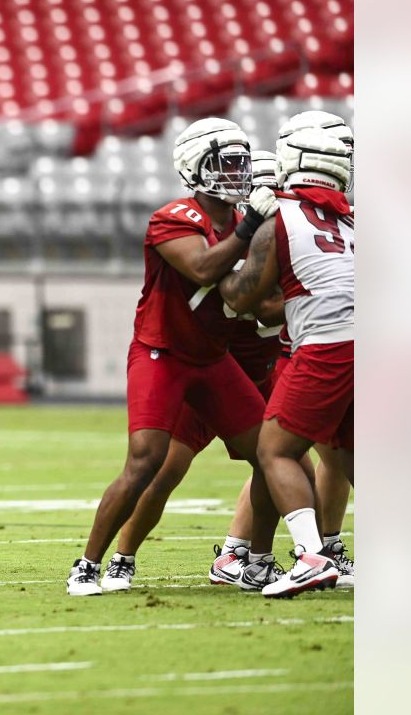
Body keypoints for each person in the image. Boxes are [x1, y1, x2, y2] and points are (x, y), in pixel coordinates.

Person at [66, 118, 278, 596]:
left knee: (272, 455)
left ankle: (258, 562)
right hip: (162, 353)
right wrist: (250, 229)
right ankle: (90, 564)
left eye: (242, 162)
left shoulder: (252, 223)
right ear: (195, 166)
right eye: (227, 162)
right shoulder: (173, 216)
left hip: (213, 358)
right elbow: (204, 266)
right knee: (148, 463)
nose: (237, 172)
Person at [218, 127, 354, 598]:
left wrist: (213, 267)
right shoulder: (352, 218)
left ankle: (312, 557)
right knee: (355, 458)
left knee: (274, 449)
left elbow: (239, 297)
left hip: (324, 346)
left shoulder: (280, 215)